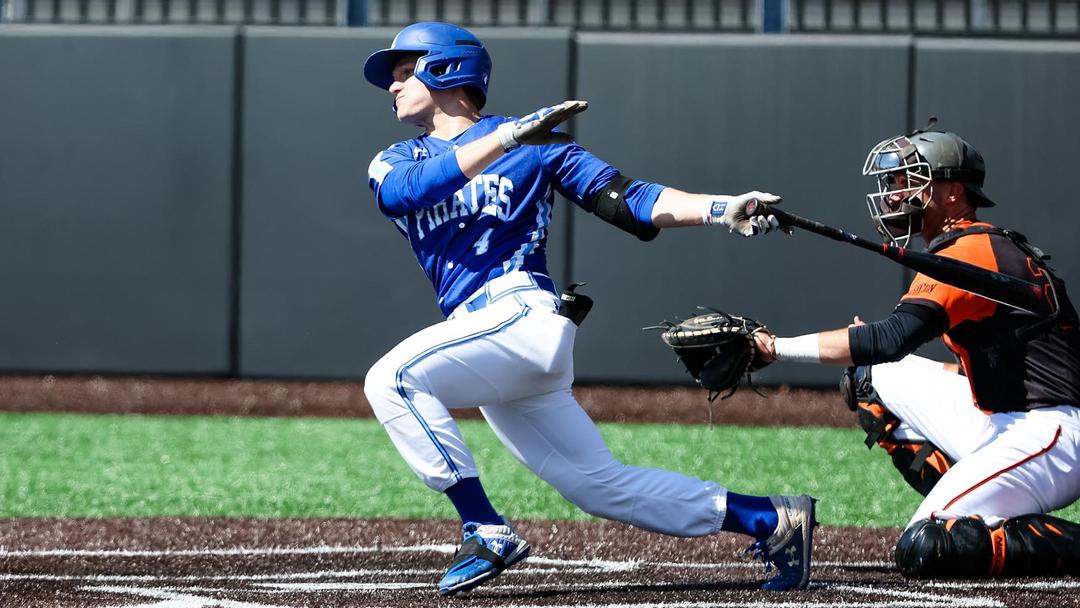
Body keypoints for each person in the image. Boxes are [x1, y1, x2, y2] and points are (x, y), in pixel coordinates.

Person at [361, 21, 816, 596]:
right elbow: (406, 192)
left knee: (391, 379)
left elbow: (632, 200)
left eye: (405, 72)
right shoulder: (398, 157)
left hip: (519, 315)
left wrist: (724, 206)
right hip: (484, 340)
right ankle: (773, 519)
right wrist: (507, 140)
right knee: (599, 487)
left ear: (445, 69)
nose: (393, 86)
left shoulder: (538, 145)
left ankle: (484, 527)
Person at [753, 125, 1080, 578]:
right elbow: (977, 366)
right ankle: (971, 502)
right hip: (1003, 421)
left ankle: (966, 519)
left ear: (951, 192)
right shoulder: (971, 247)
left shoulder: (973, 252)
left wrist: (772, 349)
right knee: (870, 378)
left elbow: (890, 339)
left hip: (1049, 435)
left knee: (928, 546)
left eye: (908, 181)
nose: (892, 195)